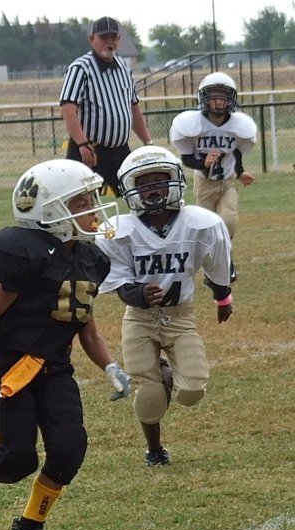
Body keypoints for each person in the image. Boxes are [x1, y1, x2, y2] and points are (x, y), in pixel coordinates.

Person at [0, 159, 131, 530]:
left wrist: (110, 365)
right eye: (81, 203)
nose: (93, 210)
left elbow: (84, 325)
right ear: (50, 211)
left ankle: (29, 527)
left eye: (91, 200)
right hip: (15, 364)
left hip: (57, 366)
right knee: (13, 463)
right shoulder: (28, 255)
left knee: (69, 449)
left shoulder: (90, 258)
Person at [95, 145, 233, 467]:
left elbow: (217, 266)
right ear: (130, 188)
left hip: (180, 316)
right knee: (150, 394)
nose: (152, 189)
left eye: (159, 180)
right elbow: (119, 283)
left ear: (175, 180)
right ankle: (154, 450)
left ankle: (166, 372)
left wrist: (222, 298)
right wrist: (138, 294)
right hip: (139, 318)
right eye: (143, 183)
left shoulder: (201, 223)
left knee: (192, 391)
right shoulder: (118, 230)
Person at [170, 71, 257, 280]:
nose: (218, 103)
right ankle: (211, 267)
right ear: (204, 99)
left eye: (223, 97)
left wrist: (240, 172)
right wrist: (203, 163)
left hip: (227, 182)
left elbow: (236, 151)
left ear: (230, 100)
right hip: (204, 183)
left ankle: (226, 261)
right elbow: (187, 158)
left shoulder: (237, 125)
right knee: (206, 227)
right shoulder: (193, 124)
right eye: (214, 97)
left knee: (228, 220)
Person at [59, 16, 153, 196]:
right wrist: (82, 143)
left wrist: (148, 142)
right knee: (81, 201)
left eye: (113, 37)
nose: (109, 42)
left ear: (119, 39)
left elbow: (133, 108)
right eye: (104, 37)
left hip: (120, 151)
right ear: (92, 39)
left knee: (139, 196)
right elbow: (68, 109)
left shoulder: (124, 69)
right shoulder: (80, 68)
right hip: (90, 150)